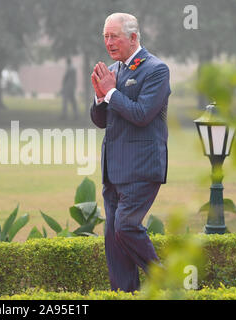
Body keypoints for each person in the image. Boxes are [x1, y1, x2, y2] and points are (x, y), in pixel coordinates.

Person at [90, 13, 171, 292]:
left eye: (114, 36)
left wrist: (110, 92)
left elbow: (141, 114)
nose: (108, 42)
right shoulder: (116, 70)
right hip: (113, 171)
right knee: (114, 239)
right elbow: (102, 121)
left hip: (142, 168)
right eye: (105, 36)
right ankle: (124, 294)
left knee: (125, 227)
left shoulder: (156, 69)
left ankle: (165, 284)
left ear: (133, 37)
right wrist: (100, 97)